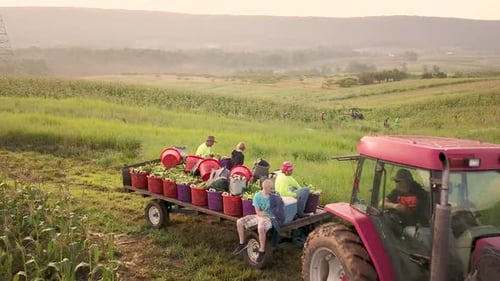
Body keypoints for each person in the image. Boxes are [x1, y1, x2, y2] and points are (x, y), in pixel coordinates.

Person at [232, 179, 274, 263]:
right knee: (239, 222)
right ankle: (242, 243)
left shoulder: (273, 197)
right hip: (259, 216)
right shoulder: (257, 196)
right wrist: (261, 214)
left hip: (269, 217)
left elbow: (275, 211)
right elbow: (257, 211)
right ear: (265, 188)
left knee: (261, 228)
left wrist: (266, 214)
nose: (272, 190)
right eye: (270, 188)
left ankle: (262, 250)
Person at [384, 168, 430, 243]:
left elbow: (425, 214)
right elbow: (381, 203)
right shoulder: (396, 192)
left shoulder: (421, 193)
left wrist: (407, 211)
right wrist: (394, 206)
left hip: (418, 226)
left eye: (400, 181)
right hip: (401, 225)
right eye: (397, 181)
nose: (398, 184)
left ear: (409, 182)